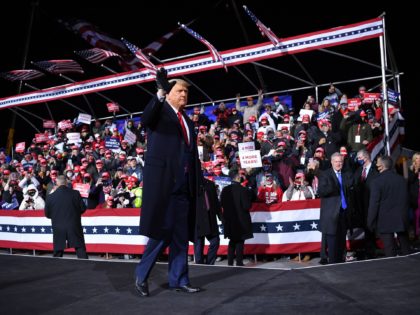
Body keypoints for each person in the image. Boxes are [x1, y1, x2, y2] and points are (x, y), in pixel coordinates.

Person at [134, 68, 203, 297]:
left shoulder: (188, 121)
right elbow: (145, 118)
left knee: (181, 237)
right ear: (169, 93)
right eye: (180, 90)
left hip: (184, 186)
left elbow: (191, 154)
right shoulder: (160, 111)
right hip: (164, 185)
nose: (184, 94)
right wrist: (160, 92)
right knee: (161, 234)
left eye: (186, 91)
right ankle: (141, 276)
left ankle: (179, 280)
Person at [367, 156, 410, 257]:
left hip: (385, 220)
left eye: (377, 163)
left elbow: (374, 204)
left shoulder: (377, 182)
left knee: (390, 251)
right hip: (401, 218)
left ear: (380, 166)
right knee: (406, 249)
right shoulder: (402, 180)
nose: (376, 165)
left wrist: (370, 222)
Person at [318, 152, 355, 263]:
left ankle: (340, 262)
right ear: (331, 162)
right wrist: (335, 186)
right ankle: (333, 264)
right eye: (336, 161)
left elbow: (352, 185)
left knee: (341, 241)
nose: (339, 164)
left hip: (344, 212)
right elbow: (321, 192)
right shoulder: (325, 174)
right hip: (331, 215)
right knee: (332, 243)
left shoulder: (347, 174)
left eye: (341, 162)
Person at [44, 175, 88, 259]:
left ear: (56, 183)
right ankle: (87, 269)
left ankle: (57, 270)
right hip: (74, 225)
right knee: (80, 249)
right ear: (66, 182)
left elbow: (47, 214)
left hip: (58, 227)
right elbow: (83, 209)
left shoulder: (50, 197)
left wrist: (56, 217)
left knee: (58, 251)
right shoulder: (75, 193)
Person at [220, 169, 253, 266]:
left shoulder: (225, 190)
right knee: (239, 241)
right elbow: (247, 206)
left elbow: (221, 203)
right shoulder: (243, 190)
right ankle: (239, 262)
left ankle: (230, 262)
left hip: (229, 220)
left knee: (232, 241)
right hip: (240, 220)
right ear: (238, 178)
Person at [194, 178, 223, 265]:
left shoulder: (210, 184)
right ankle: (199, 265)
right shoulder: (191, 184)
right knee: (199, 244)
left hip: (210, 218)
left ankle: (210, 264)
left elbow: (215, 201)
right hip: (198, 219)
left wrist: (221, 217)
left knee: (215, 241)